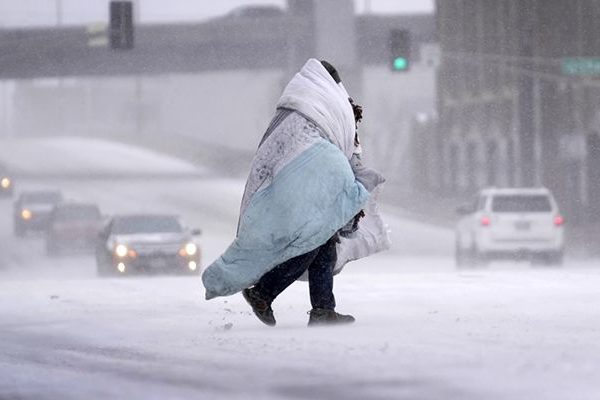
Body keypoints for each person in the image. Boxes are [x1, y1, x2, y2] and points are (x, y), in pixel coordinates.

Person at [202, 59, 388, 326]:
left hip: (289, 184)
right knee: (312, 240)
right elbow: (338, 144)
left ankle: (323, 309)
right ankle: (264, 292)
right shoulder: (324, 106)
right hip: (304, 184)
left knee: (323, 241)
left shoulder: (294, 110)